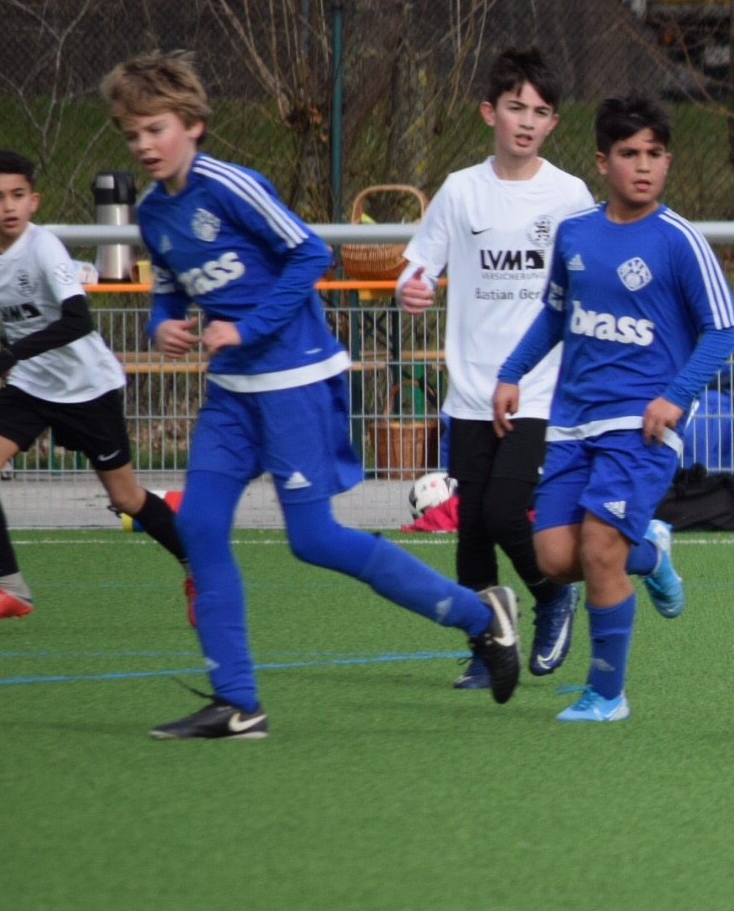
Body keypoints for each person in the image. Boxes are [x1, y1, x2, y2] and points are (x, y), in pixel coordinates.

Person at [102, 51, 520, 740]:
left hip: (294, 382)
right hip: (231, 394)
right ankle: (237, 702)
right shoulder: (153, 212)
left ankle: (482, 617)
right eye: (132, 134)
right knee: (198, 526)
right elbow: (171, 283)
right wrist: (163, 323)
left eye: (157, 128)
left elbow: (309, 253)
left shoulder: (231, 186)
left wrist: (246, 327)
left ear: (193, 124)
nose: (145, 144)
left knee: (315, 539)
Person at [493, 94, 734, 723]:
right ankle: (650, 551)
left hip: (642, 426)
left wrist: (676, 396)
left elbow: (723, 329)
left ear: (668, 161)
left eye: (655, 153)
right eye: (630, 153)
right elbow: (555, 315)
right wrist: (511, 373)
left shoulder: (679, 241)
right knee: (555, 558)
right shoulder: (576, 233)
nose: (644, 165)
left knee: (601, 547)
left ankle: (606, 694)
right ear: (603, 162)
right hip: (572, 423)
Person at [397, 48, 594, 687]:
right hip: (470, 391)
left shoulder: (569, 195)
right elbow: (418, 266)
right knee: (473, 529)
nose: (527, 121)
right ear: (490, 113)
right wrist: (413, 288)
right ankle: (488, 648)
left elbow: (592, 272)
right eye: (516, 108)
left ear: (553, 122)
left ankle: (551, 594)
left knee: (507, 512)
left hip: (539, 387)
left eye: (540, 112)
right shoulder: (461, 191)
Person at [0, 149, 192, 623]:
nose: (9, 206)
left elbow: (78, 321)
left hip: (88, 387)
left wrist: (7, 356)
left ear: (34, 201)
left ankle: (198, 567)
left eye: (18, 195)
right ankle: (11, 586)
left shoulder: (43, 247)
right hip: (30, 387)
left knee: (125, 498)